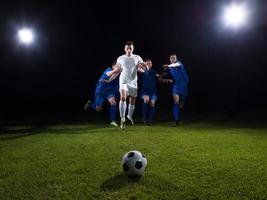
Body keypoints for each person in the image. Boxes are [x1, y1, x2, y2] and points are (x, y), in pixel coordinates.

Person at [117, 41, 147, 129]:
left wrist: (144, 66)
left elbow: (143, 69)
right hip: (123, 81)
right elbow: (118, 69)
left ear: (133, 49)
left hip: (133, 82)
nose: (129, 50)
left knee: (132, 100)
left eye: (131, 48)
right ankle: (122, 119)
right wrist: (116, 70)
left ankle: (129, 116)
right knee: (123, 97)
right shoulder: (120, 58)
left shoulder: (137, 57)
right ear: (125, 49)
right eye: (127, 48)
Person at [84, 61, 121, 126]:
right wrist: (115, 70)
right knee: (98, 109)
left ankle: (112, 121)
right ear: (113, 66)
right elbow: (108, 74)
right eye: (117, 66)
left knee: (113, 102)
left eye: (119, 66)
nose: (118, 67)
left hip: (109, 91)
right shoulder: (108, 70)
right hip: (101, 91)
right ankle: (90, 104)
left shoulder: (117, 73)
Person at [159, 53, 189, 125]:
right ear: (170, 59)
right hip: (176, 85)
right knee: (176, 102)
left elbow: (175, 65)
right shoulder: (170, 68)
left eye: (174, 58)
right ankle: (176, 120)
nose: (172, 59)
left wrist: (168, 65)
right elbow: (163, 74)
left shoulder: (179, 63)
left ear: (176, 59)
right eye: (171, 58)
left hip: (184, 85)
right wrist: (160, 77)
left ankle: (182, 101)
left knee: (181, 104)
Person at [139, 59, 158, 125]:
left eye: (150, 63)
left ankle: (150, 120)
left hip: (153, 92)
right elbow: (138, 69)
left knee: (152, 103)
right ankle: (144, 118)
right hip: (145, 92)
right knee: (146, 99)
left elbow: (159, 77)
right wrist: (143, 65)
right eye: (147, 63)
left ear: (151, 64)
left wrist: (165, 79)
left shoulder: (154, 72)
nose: (148, 64)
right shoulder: (143, 71)